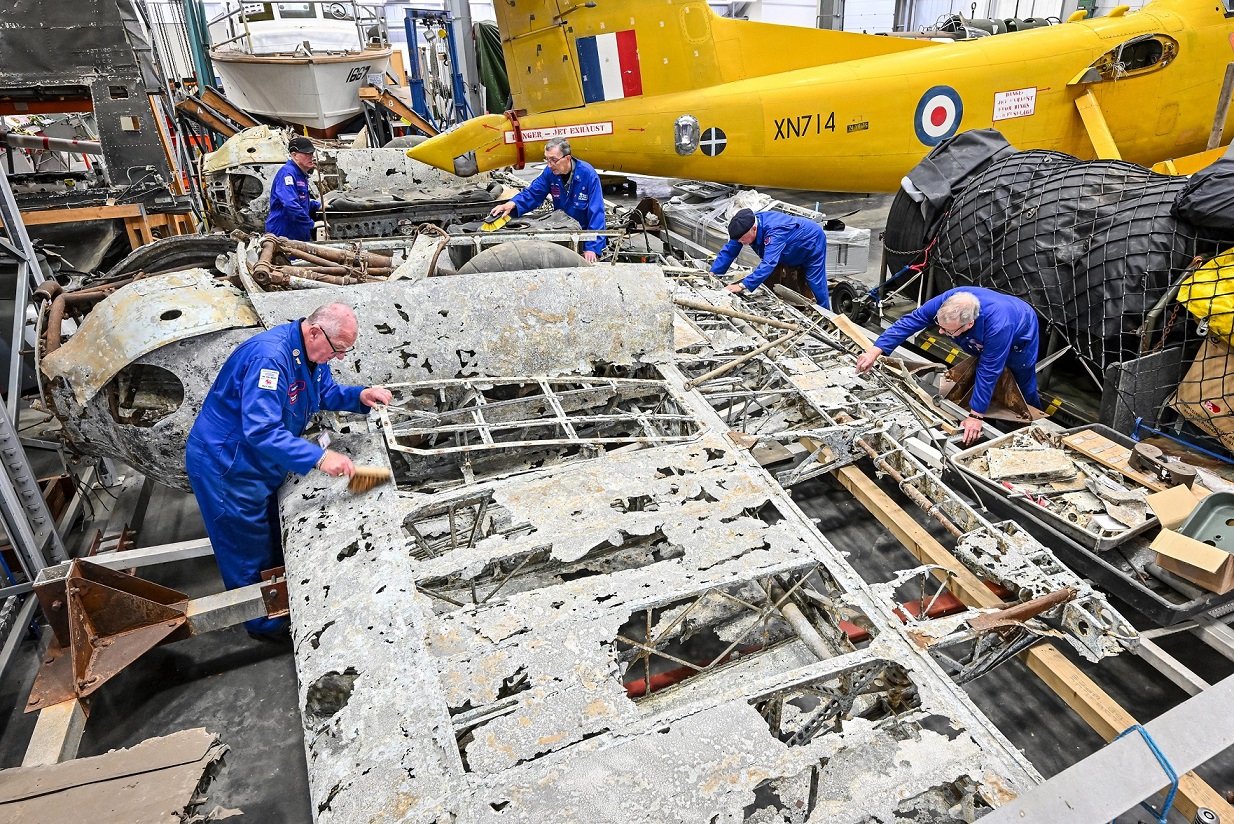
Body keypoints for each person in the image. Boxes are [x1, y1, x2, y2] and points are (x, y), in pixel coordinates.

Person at [185, 303, 393, 641]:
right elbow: (262, 430)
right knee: (244, 547)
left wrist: (360, 396)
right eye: (338, 349)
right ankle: (264, 624)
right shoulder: (269, 359)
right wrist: (319, 458)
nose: (339, 357)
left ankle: (281, 592)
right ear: (314, 332)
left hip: (258, 461)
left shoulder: (311, 356)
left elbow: (322, 392)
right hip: (227, 464)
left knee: (267, 534)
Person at [855, 287, 1041, 445]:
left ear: (969, 324)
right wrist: (875, 351)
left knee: (1019, 382)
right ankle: (987, 407)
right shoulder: (950, 301)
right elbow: (911, 321)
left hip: (1019, 336)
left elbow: (989, 369)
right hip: (984, 330)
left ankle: (1031, 424)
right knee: (982, 366)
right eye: (939, 326)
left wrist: (976, 418)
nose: (941, 332)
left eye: (947, 330)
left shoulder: (999, 325)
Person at [488, 137, 606, 262]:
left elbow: (597, 213)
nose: (550, 165)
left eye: (554, 160)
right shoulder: (550, 173)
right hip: (563, 231)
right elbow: (533, 193)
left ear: (567, 158)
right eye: (547, 160)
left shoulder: (588, 175)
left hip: (584, 236)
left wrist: (592, 248)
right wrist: (512, 204)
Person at [710, 208, 830, 308]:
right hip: (788, 249)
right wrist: (713, 274)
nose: (740, 242)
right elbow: (729, 250)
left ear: (754, 229)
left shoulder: (775, 232)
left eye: (742, 239)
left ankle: (827, 316)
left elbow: (768, 263)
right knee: (776, 279)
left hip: (812, 242)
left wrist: (742, 285)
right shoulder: (746, 226)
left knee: (815, 282)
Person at [266, 135, 321, 242]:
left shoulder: (300, 174)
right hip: (284, 230)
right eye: (306, 154)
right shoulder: (287, 174)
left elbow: (301, 200)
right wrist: (311, 224)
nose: (311, 157)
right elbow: (290, 204)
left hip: (297, 230)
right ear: (294, 155)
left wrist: (317, 206)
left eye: (311, 153)